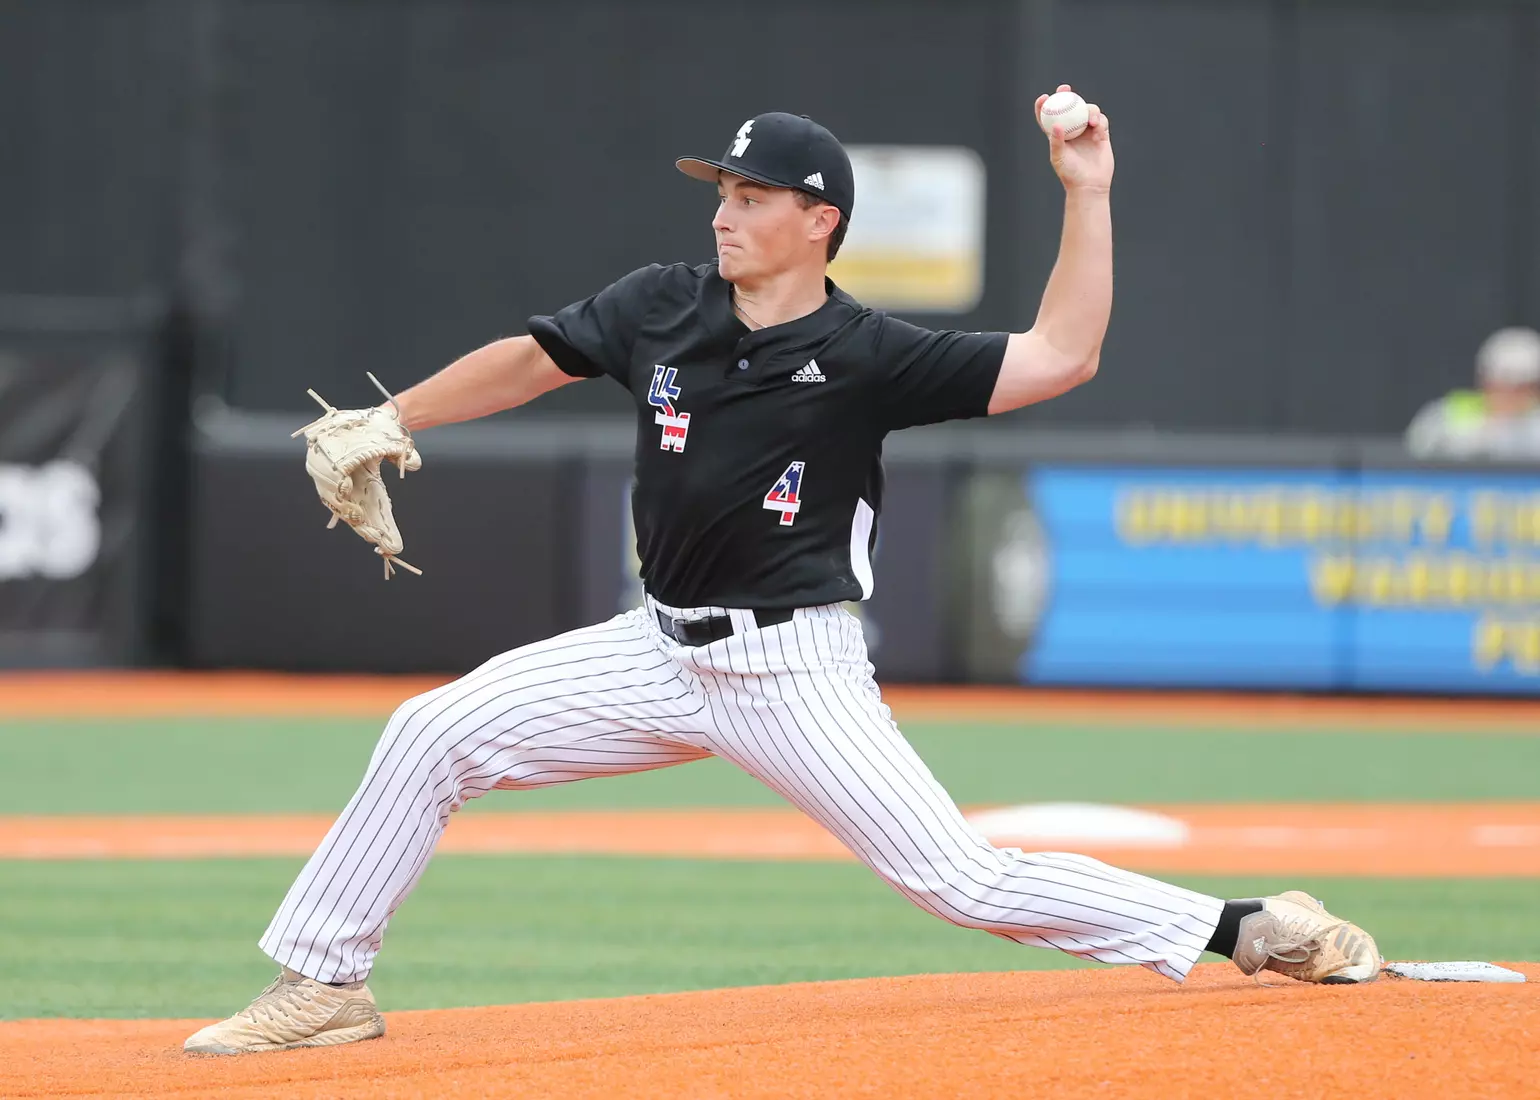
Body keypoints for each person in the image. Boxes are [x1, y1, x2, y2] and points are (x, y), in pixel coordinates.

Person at [184, 91, 1380, 1056]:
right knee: (427, 732)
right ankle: (325, 983)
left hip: (791, 663)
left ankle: (1249, 926)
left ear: (820, 220)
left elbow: (1064, 354)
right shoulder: (662, 304)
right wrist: (398, 415)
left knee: (959, 878)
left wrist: (1089, 192)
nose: (725, 211)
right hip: (650, 645)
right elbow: (532, 359)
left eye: (752, 195)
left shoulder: (867, 354)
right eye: (722, 189)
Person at [1405, 326, 1540, 460]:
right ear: (1483, 381)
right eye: (1500, 383)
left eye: (1521, 388)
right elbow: (1414, 456)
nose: (1508, 394)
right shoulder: (1445, 415)